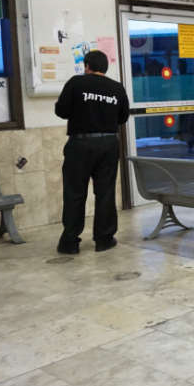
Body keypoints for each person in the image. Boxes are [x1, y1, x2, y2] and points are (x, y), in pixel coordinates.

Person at [55, 51, 130, 254]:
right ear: (105, 68)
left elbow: (61, 111)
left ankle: (70, 242)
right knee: (105, 193)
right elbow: (123, 117)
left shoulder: (76, 83)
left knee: (74, 193)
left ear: (87, 66)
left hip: (80, 145)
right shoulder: (117, 88)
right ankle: (104, 239)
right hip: (108, 145)